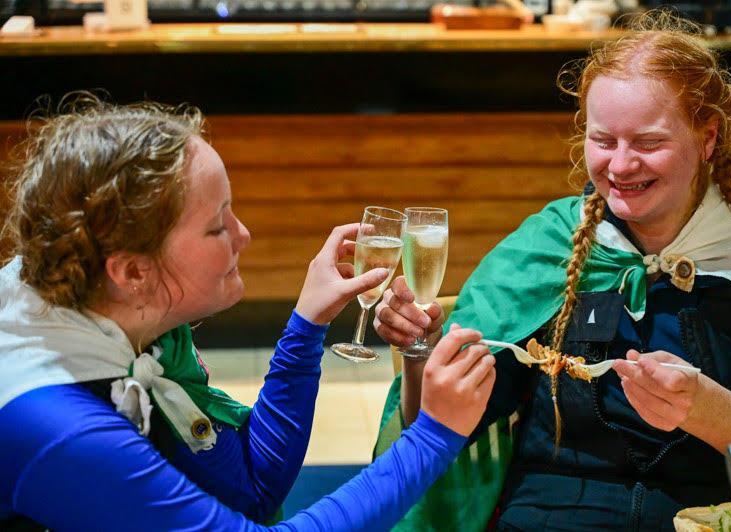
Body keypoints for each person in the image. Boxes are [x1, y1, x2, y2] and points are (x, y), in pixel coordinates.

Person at [372, 11, 731, 531]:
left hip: (701, 519)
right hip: (548, 516)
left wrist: (704, 407)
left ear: (707, 139)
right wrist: (422, 354)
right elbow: (439, 429)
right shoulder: (548, 248)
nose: (620, 167)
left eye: (648, 142)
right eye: (604, 141)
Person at [0, 95, 497, 531]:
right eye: (219, 227)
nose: (244, 235)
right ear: (133, 272)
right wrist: (433, 435)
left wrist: (308, 323)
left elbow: (252, 488)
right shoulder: (64, 427)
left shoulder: (108, 306)